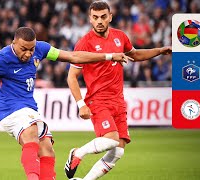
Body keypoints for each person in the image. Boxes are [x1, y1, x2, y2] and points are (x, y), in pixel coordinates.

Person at [0, 27, 132, 180]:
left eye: (31, 49)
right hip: (10, 112)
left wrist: (109, 56)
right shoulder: (1, 59)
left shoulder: (40, 48)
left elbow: (73, 56)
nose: (28, 53)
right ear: (13, 43)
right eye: (24, 49)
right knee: (31, 133)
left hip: (29, 110)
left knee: (47, 148)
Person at [64, 1, 172, 179]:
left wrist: (159, 50)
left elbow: (135, 55)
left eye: (103, 17)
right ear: (90, 19)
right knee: (111, 139)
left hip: (118, 101)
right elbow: (71, 77)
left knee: (118, 151)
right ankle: (77, 153)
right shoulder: (84, 43)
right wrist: (81, 104)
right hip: (98, 100)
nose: (100, 21)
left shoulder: (120, 37)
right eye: (95, 17)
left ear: (110, 17)